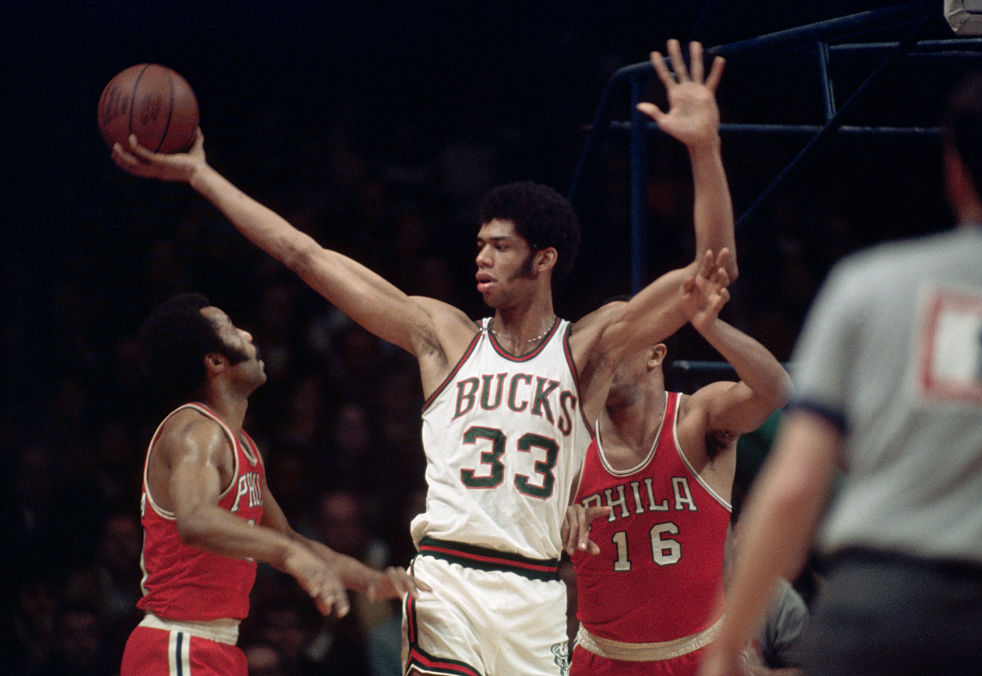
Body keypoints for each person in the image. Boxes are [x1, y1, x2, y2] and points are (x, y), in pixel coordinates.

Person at [112, 40, 733, 676]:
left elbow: (710, 272)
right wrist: (202, 176)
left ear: (543, 259)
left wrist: (704, 148)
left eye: (500, 247)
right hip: (448, 584)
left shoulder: (589, 347)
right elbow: (305, 255)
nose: (481, 257)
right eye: (479, 245)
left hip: (536, 595)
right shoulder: (444, 335)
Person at [699, 67, 982, 676]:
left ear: (954, 170)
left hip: (882, 612)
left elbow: (796, 486)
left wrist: (725, 646)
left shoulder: (871, 286)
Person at [120, 293, 427, 675]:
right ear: (215, 361)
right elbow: (196, 520)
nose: (248, 335)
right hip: (177, 643)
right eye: (231, 329)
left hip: (215, 645)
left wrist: (372, 581)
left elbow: (288, 538)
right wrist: (289, 555)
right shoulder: (196, 430)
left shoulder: (243, 446)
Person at [562, 262, 791, 674]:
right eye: (595, 345)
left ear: (655, 354)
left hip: (701, 654)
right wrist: (557, 519)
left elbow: (777, 391)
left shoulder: (698, 419)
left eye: (616, 340)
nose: (601, 354)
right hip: (603, 659)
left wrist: (712, 327)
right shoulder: (570, 438)